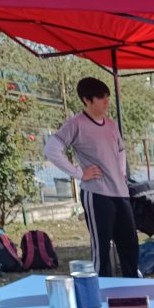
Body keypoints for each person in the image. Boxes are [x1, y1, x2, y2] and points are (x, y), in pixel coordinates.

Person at [44, 76, 139, 278]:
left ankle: (132, 288)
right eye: (101, 98)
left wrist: (121, 172)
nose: (106, 101)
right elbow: (52, 148)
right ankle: (102, 291)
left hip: (120, 193)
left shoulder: (112, 125)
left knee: (130, 243)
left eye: (107, 97)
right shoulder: (75, 124)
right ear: (87, 100)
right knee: (101, 247)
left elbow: (121, 150)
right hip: (97, 194)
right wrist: (79, 173)